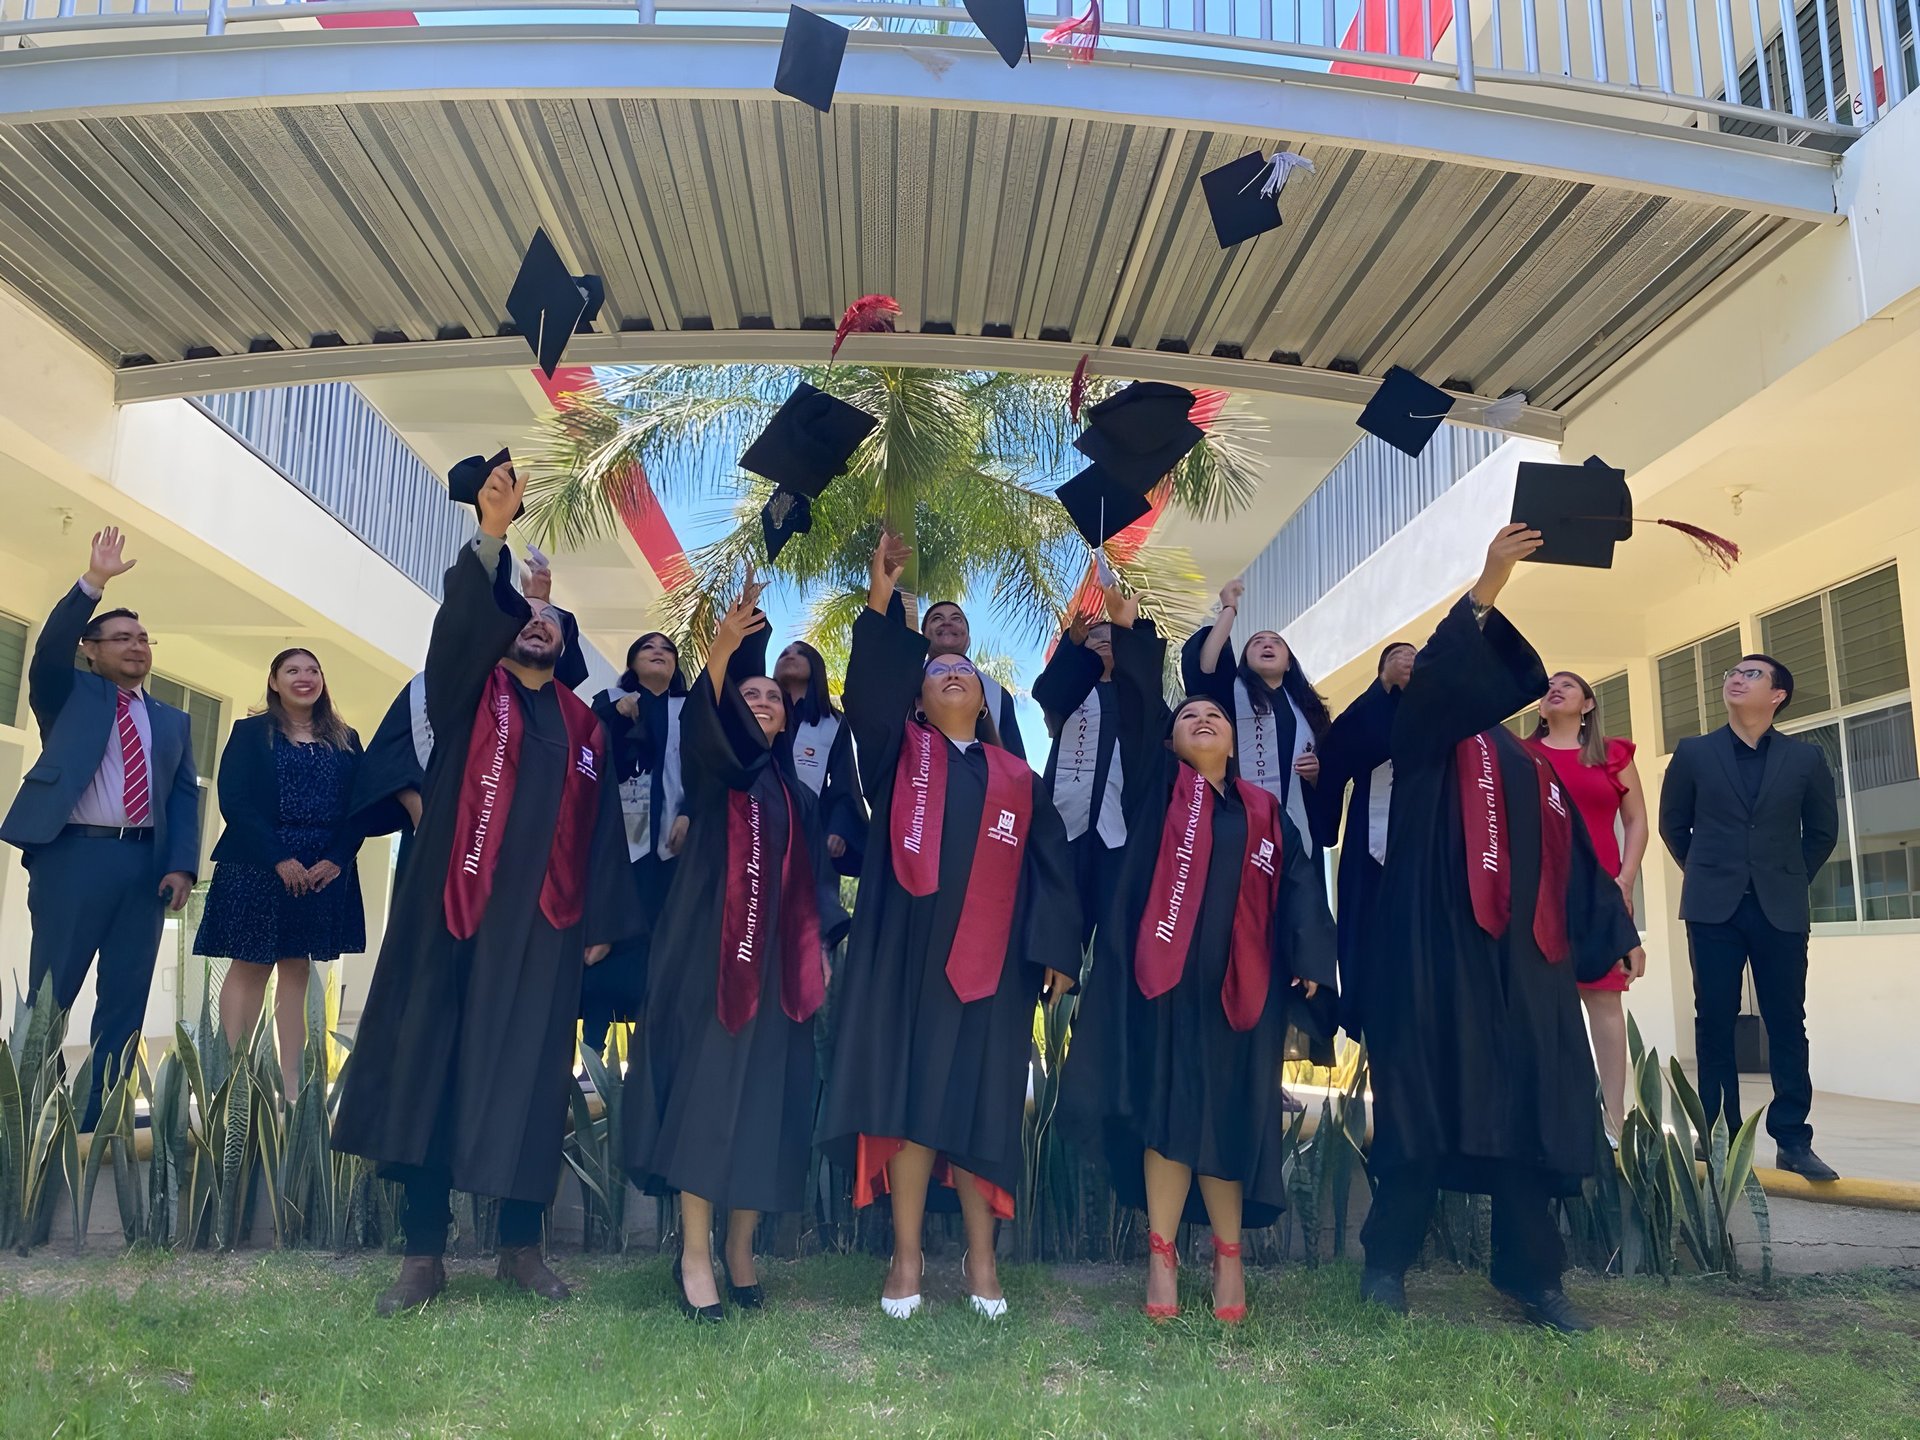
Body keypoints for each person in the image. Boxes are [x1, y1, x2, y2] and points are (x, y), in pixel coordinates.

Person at [330, 460, 641, 1316]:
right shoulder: (469, 695)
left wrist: (600, 922)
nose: (537, 626)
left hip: (543, 931)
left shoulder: (585, 730)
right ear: (502, 632)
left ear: (565, 643)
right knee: (433, 1071)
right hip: (453, 918)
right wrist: (492, 537)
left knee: (533, 1086)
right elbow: (461, 625)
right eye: (525, 617)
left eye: (550, 621)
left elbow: (603, 832)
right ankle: (423, 1256)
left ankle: (519, 1246)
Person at [1358, 525, 1643, 1333]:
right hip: (1437, 962)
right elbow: (1441, 678)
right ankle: (1386, 1266)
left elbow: (1573, 861)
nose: (1431, 677)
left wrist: (1611, 926)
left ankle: (1534, 1278)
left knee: (1526, 1124)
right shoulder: (1424, 742)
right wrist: (1486, 586)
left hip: (1525, 973)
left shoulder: (1532, 768)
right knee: (1419, 1116)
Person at [819, 532, 1079, 1320]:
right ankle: (905, 1258)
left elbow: (1051, 869)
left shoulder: (1015, 776)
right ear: (920, 695)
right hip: (906, 961)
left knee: (981, 1106)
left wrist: (1057, 952)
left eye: (964, 668)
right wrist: (880, 599)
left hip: (991, 967)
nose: (953, 673)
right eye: (938, 672)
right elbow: (865, 698)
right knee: (909, 1102)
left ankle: (981, 1259)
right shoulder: (901, 754)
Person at [1063, 587, 1336, 1324]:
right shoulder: (1157, 789)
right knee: (1167, 1118)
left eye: (1213, 713)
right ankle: (1160, 1262)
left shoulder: (1263, 809)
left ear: (1234, 737)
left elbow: (1301, 880)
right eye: (1190, 717)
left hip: (1242, 995)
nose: (1203, 719)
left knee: (1233, 1124)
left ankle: (1227, 1263)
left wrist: (1308, 953)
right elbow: (1143, 701)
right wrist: (1127, 633)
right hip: (1165, 987)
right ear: (1173, 740)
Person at [625, 578, 851, 1320]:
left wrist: (819, 946)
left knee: (768, 1106)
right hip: (709, 965)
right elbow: (704, 716)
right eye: (749, 695)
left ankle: (741, 1248)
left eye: (773, 699)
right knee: (708, 1097)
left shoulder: (801, 798)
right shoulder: (717, 772)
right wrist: (722, 647)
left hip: (780, 976)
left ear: (790, 720)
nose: (763, 703)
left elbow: (819, 881)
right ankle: (695, 1253)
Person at [1, 528, 199, 1131]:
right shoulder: (70, 693)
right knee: (52, 993)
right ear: (92, 649)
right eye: (122, 638)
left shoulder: (171, 719)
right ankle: (34, 1116)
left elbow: (185, 794)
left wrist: (182, 864)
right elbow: (50, 648)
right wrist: (94, 582)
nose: (136, 646)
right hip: (73, 858)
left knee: (126, 999)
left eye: (142, 638)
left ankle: (99, 1119)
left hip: (145, 868)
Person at [1658, 653, 1840, 1181]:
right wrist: (1711, 872)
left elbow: (1823, 832)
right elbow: (1675, 825)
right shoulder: (1694, 753)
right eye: (1731, 673)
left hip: (1780, 907)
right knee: (1714, 1021)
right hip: (1713, 907)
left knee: (1787, 1022)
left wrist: (1785, 875)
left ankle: (1792, 1139)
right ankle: (1720, 1136)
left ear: (1777, 695)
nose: (1735, 678)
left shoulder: (1804, 760)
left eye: (1751, 674)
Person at [196, 649, 367, 1099]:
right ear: (274, 681)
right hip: (258, 864)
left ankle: (293, 1086)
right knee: (251, 964)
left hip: (323, 872)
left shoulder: (347, 739)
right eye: (293, 670)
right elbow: (235, 800)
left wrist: (337, 858)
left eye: (313, 669)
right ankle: (229, 1083)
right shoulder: (251, 733)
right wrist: (279, 859)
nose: (304, 677)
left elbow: (361, 807)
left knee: (297, 967)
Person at [1525, 671, 1649, 1138]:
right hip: (1541, 896)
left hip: (1601, 896)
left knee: (1605, 1001)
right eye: (1548, 687)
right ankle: (1553, 1117)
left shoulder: (1614, 755)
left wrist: (1626, 881)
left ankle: (1615, 1120)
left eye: (1568, 685)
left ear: (1588, 705)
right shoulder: (1524, 757)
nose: (1554, 689)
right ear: (1539, 708)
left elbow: (1637, 821)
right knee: (1543, 1007)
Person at [583, 631, 690, 1055]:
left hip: (671, 847)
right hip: (620, 847)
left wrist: (691, 811)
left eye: (667, 650)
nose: (659, 653)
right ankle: (592, 1056)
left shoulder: (690, 709)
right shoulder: (607, 700)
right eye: (649, 647)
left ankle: (649, 1058)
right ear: (631, 662)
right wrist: (613, 709)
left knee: (663, 950)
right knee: (610, 945)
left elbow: (707, 765)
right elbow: (589, 749)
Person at [1181, 579, 1331, 860]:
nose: (1267, 644)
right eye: (1257, 642)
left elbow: (1330, 771)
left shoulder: (1309, 710)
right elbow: (1207, 665)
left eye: (1276, 642)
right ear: (1245, 660)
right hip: (1240, 826)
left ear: (1288, 662)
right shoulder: (1230, 698)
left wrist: (1317, 774)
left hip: (1298, 830)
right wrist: (1229, 609)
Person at [1314, 640, 1414, 1039]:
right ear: (1380, 670)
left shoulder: (1440, 708)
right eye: (1396, 656)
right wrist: (1385, 686)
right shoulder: (1364, 713)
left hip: (1428, 835)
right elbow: (1336, 759)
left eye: (1413, 656)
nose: (1407, 661)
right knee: (1367, 929)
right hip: (1369, 839)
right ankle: (1371, 1020)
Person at [1032, 607, 1137, 948]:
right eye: (1095, 637)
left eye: (1112, 637)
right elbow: (1047, 692)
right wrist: (1071, 646)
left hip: (1118, 832)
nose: (1104, 642)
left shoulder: (1138, 700)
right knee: (1058, 922)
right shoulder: (1070, 693)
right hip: (1066, 829)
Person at [772, 638, 867, 875]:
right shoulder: (760, 710)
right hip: (754, 821)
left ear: (815, 667)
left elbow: (845, 782)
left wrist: (839, 829)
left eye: (800, 652)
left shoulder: (832, 722)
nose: (790, 654)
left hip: (808, 832)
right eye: (784, 651)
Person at [920, 599, 1027, 761]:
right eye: (937, 618)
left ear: (968, 639)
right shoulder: (906, 683)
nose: (947, 623)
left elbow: (1015, 759)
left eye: (956, 619)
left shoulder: (997, 695)